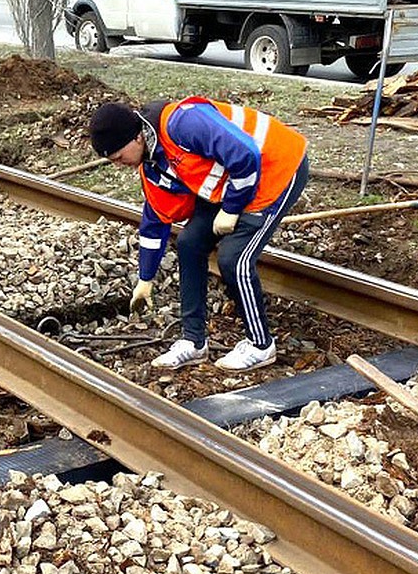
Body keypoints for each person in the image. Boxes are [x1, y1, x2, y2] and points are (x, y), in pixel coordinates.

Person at [89, 96, 309, 371]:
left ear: (136, 138)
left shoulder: (183, 122)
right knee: (189, 243)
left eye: (119, 157)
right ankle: (193, 341)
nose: (119, 164)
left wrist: (231, 208)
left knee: (233, 259)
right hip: (235, 183)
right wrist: (145, 279)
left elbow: (245, 154)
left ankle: (260, 345)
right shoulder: (153, 164)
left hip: (275, 167)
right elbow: (154, 223)